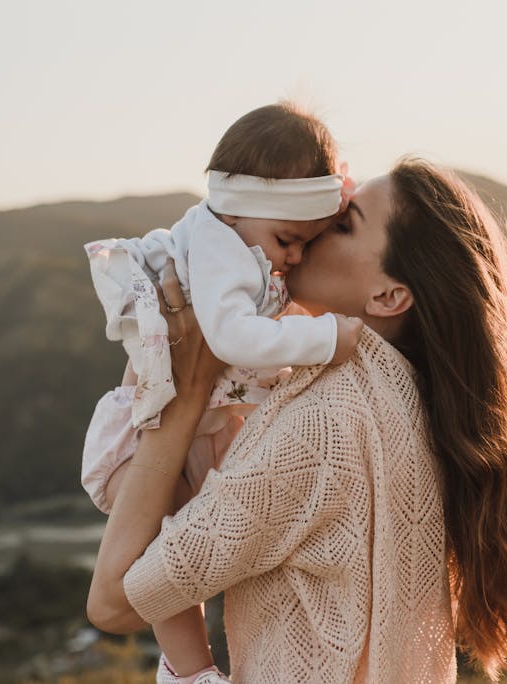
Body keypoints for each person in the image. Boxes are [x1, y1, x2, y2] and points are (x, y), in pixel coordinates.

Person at [86, 159, 507, 682]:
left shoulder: (323, 426)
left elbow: (114, 603)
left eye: (341, 224)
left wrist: (181, 398)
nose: (312, 231)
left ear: (388, 295)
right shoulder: (406, 400)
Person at [82, 102, 362, 683]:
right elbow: (232, 334)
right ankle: (191, 672)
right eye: (288, 239)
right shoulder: (217, 247)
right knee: (164, 559)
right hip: (151, 439)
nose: (292, 258)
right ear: (245, 209)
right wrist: (327, 335)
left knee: (188, 550)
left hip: (196, 426)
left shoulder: (239, 239)